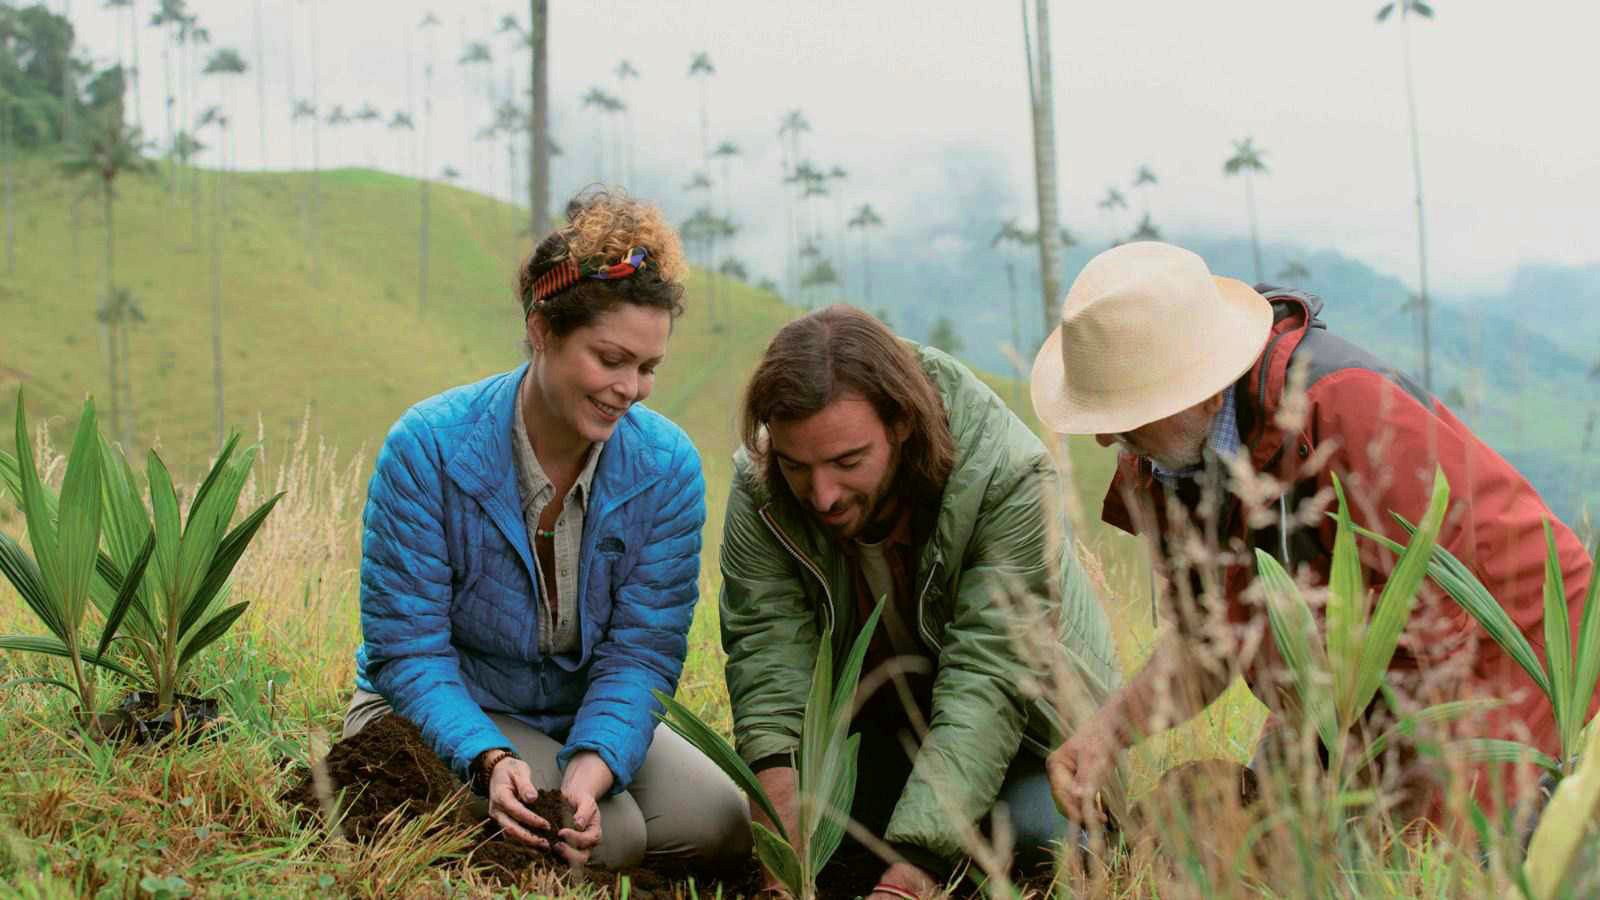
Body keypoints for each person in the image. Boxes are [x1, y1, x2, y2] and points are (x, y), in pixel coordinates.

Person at [1030, 241, 1596, 826]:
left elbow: (1442, 639)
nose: (1105, 440)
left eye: (1122, 415)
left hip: (1517, 665)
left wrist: (1383, 820)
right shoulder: (1171, 462)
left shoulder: (1348, 411)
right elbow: (1210, 640)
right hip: (1361, 695)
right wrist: (1103, 734)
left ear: (1196, 391)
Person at [348, 190, 750, 870]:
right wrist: (488, 757)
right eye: (610, 359)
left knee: (722, 823)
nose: (631, 388)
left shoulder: (668, 467)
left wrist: (593, 767)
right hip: (441, 708)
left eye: (648, 368)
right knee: (616, 839)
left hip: (572, 713)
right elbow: (406, 650)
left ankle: (528, 832)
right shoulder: (428, 449)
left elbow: (642, 653)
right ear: (542, 330)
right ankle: (411, 811)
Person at [721, 305, 1120, 896]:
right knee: (741, 824)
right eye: (796, 465)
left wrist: (911, 875)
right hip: (876, 738)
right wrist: (785, 867)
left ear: (902, 425)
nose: (822, 495)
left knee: (1040, 841)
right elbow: (769, 668)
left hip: (1030, 742)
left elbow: (989, 681)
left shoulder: (1007, 475)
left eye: (848, 462)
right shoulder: (762, 488)